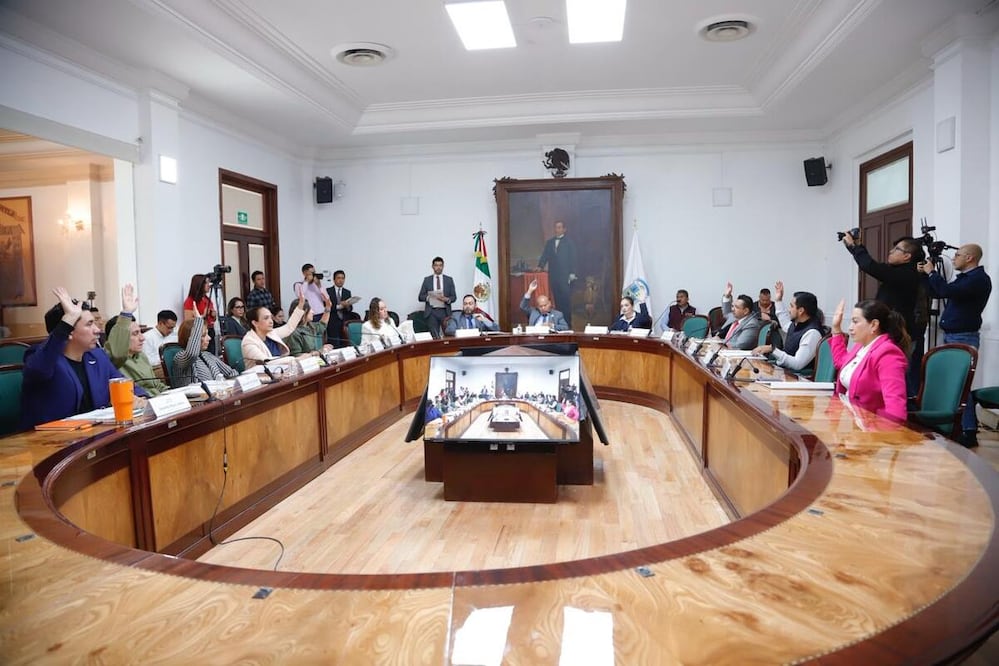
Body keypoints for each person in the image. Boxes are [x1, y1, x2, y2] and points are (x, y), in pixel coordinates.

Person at [21, 287, 148, 429]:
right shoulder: (41, 357)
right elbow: (39, 370)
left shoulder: (97, 356)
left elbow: (121, 383)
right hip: (52, 437)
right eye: (89, 324)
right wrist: (67, 321)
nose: (97, 330)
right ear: (69, 331)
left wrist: (140, 398)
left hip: (94, 432)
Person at [918, 243, 993, 446]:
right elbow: (938, 292)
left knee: (960, 383)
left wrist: (932, 273)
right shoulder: (965, 278)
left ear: (970, 258)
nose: (953, 258)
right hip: (953, 335)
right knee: (954, 383)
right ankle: (955, 426)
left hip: (964, 336)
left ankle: (967, 430)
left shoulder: (978, 279)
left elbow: (946, 290)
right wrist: (925, 276)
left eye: (958, 255)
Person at [842, 233, 924, 392]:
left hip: (898, 334)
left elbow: (870, 266)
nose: (891, 251)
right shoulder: (899, 272)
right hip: (892, 331)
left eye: (897, 249)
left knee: (896, 378)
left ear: (907, 256)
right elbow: (872, 266)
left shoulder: (906, 274)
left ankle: (901, 406)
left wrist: (854, 247)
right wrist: (856, 247)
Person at [829, 299, 909, 422]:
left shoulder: (888, 353)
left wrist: (888, 432)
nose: (850, 328)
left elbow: (895, 404)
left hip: (873, 426)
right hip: (854, 421)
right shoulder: (861, 346)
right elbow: (841, 362)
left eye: (855, 322)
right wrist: (836, 328)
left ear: (874, 325)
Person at [105, 284, 169, 396]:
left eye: (140, 332)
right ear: (120, 337)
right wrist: (126, 312)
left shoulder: (141, 356)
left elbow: (156, 384)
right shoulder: (113, 360)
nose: (142, 338)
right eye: (135, 334)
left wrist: (171, 394)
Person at [753, 281, 825, 373]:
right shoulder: (797, 324)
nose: (789, 309)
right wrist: (778, 300)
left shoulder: (812, 333)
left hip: (798, 377)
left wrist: (772, 349)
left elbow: (797, 364)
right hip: (785, 372)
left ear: (801, 311)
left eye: (791, 306)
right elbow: (785, 323)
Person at [174, 303, 239, 386]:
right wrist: (198, 320)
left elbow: (231, 373)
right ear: (191, 337)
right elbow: (192, 354)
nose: (209, 338)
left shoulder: (207, 355)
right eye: (204, 335)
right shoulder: (180, 357)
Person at [242, 292, 307, 368]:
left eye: (271, 317)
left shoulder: (270, 333)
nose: (271, 321)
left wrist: (301, 305)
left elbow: (289, 327)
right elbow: (268, 362)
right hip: (261, 374)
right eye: (266, 318)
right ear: (255, 323)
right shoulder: (248, 341)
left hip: (280, 370)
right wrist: (295, 359)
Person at [535, 220, 577, 326]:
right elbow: (545, 255)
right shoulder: (550, 242)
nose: (557, 230)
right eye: (556, 227)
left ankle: (567, 325)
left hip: (565, 277)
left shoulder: (569, 242)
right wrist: (540, 266)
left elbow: (573, 258)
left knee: (565, 301)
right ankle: (558, 324)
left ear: (564, 229)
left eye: (559, 227)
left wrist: (572, 273)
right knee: (557, 301)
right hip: (553, 276)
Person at [418, 256, 456, 339]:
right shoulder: (427, 280)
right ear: (432, 266)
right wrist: (429, 298)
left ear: (443, 266)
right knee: (434, 337)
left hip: (445, 312)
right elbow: (420, 297)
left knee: (448, 335)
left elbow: (454, 297)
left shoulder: (449, 280)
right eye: (436, 265)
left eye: (440, 265)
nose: (438, 267)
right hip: (432, 312)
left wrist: (447, 299)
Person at [718, 282, 761, 350]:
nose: (732, 309)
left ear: (746, 311)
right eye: (733, 306)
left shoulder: (751, 324)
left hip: (737, 354)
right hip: (725, 351)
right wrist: (727, 296)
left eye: (736, 307)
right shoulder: (735, 317)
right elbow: (727, 312)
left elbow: (740, 345)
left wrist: (719, 342)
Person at [183, 274, 218, 349]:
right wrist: (203, 315)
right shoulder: (190, 301)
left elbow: (213, 319)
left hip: (210, 330)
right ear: (199, 285)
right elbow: (188, 320)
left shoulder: (207, 299)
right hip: (200, 333)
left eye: (209, 283)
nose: (209, 285)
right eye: (206, 283)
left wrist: (213, 315)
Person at [325, 269, 355, 347]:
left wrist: (347, 306)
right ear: (334, 279)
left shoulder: (347, 292)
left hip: (344, 322)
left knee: (345, 344)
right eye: (338, 278)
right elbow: (326, 306)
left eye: (342, 278)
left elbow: (350, 309)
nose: (341, 280)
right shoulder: (328, 291)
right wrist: (339, 306)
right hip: (332, 321)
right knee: (334, 344)